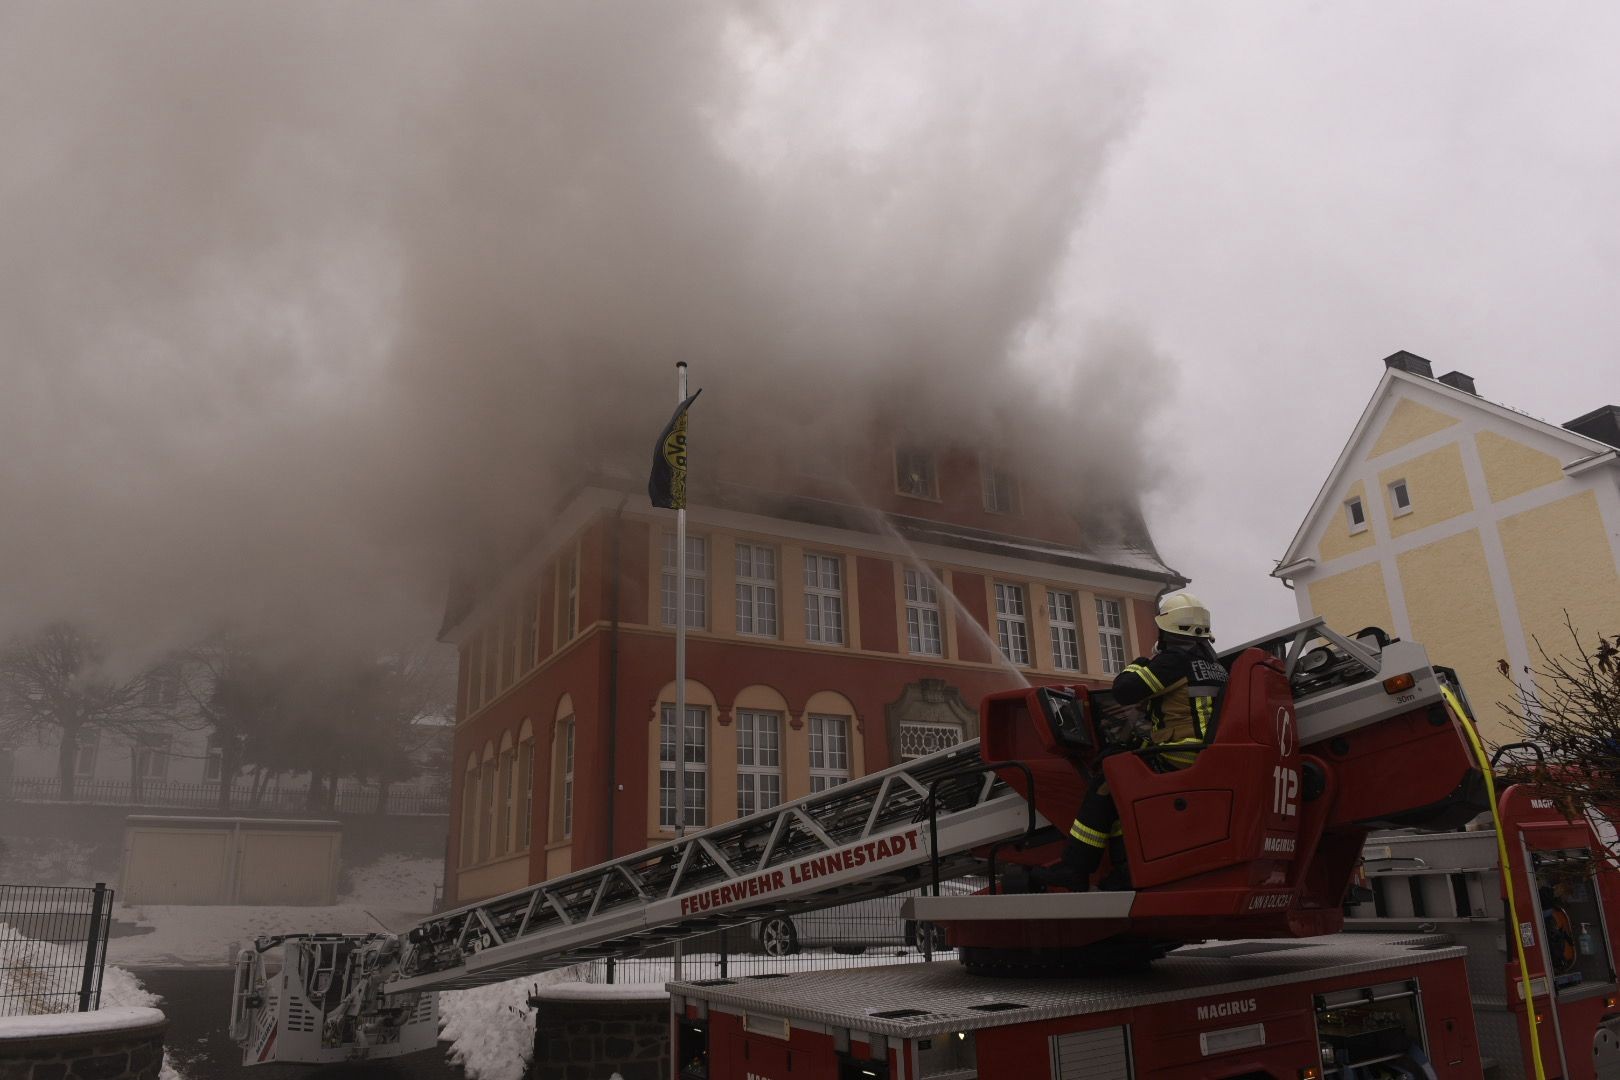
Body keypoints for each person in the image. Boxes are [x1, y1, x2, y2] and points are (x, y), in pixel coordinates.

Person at [1034, 592, 1229, 892]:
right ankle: (1125, 871)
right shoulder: (1214, 666)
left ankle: (1075, 868)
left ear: (1167, 629)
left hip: (1181, 755)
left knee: (1105, 785)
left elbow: (1126, 689)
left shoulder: (1173, 661)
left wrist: (1138, 663)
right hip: (1201, 753)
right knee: (1123, 789)